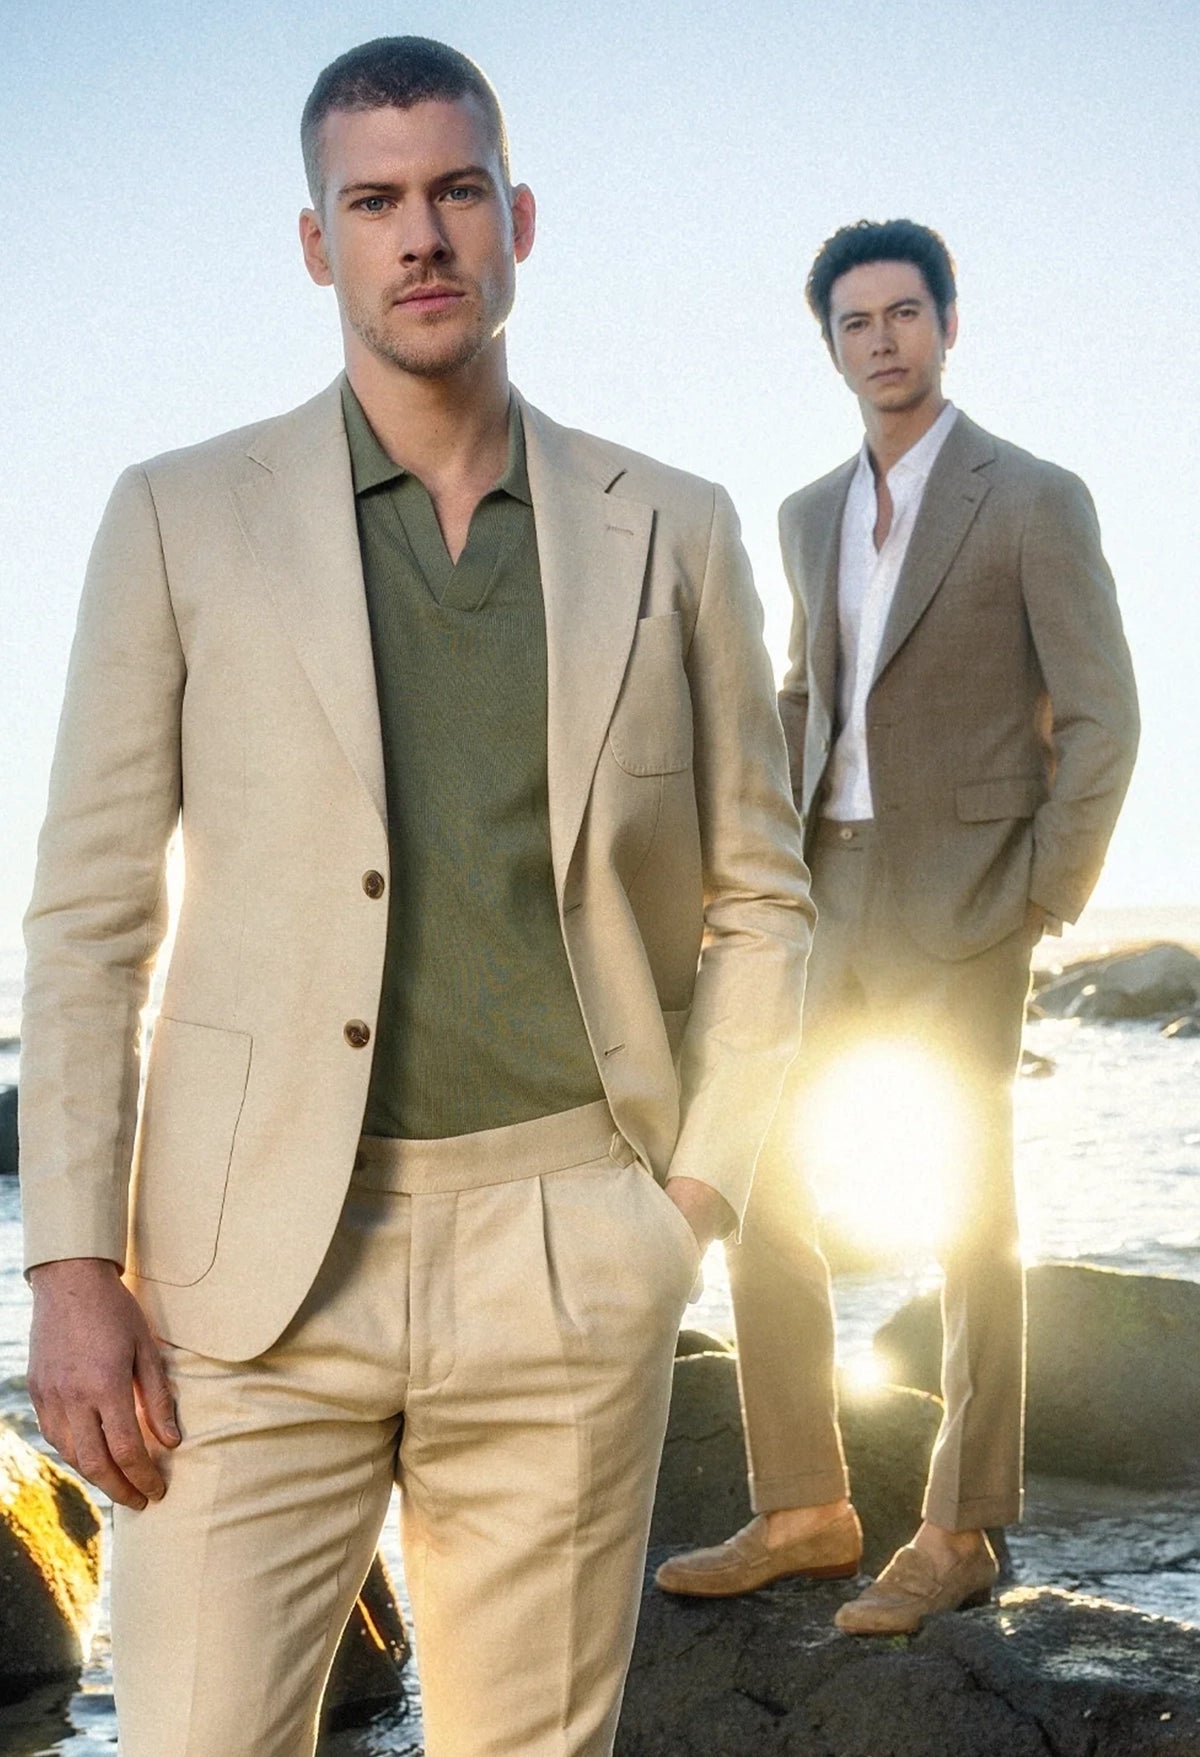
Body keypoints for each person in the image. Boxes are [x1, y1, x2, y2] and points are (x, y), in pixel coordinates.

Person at [20, 37, 813, 1755]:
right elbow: (88, 916)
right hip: (244, 1286)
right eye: (374, 202)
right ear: (319, 245)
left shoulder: (675, 528)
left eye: (456, 191)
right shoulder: (174, 517)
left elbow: (765, 898)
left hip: (568, 1251)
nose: (422, 235)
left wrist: (685, 1206)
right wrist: (72, 1264)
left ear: (518, 219)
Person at [656, 218, 1139, 1634]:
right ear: (831, 346)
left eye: (905, 313)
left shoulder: (1034, 497)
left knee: (971, 1213)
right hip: (827, 889)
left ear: (948, 323)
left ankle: (962, 1525)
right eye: (856, 321)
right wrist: (748, 844)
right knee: (761, 1178)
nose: (883, 340)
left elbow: (1104, 716)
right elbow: (809, 690)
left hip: (972, 898)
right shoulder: (808, 512)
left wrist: (1040, 892)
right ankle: (805, 1507)